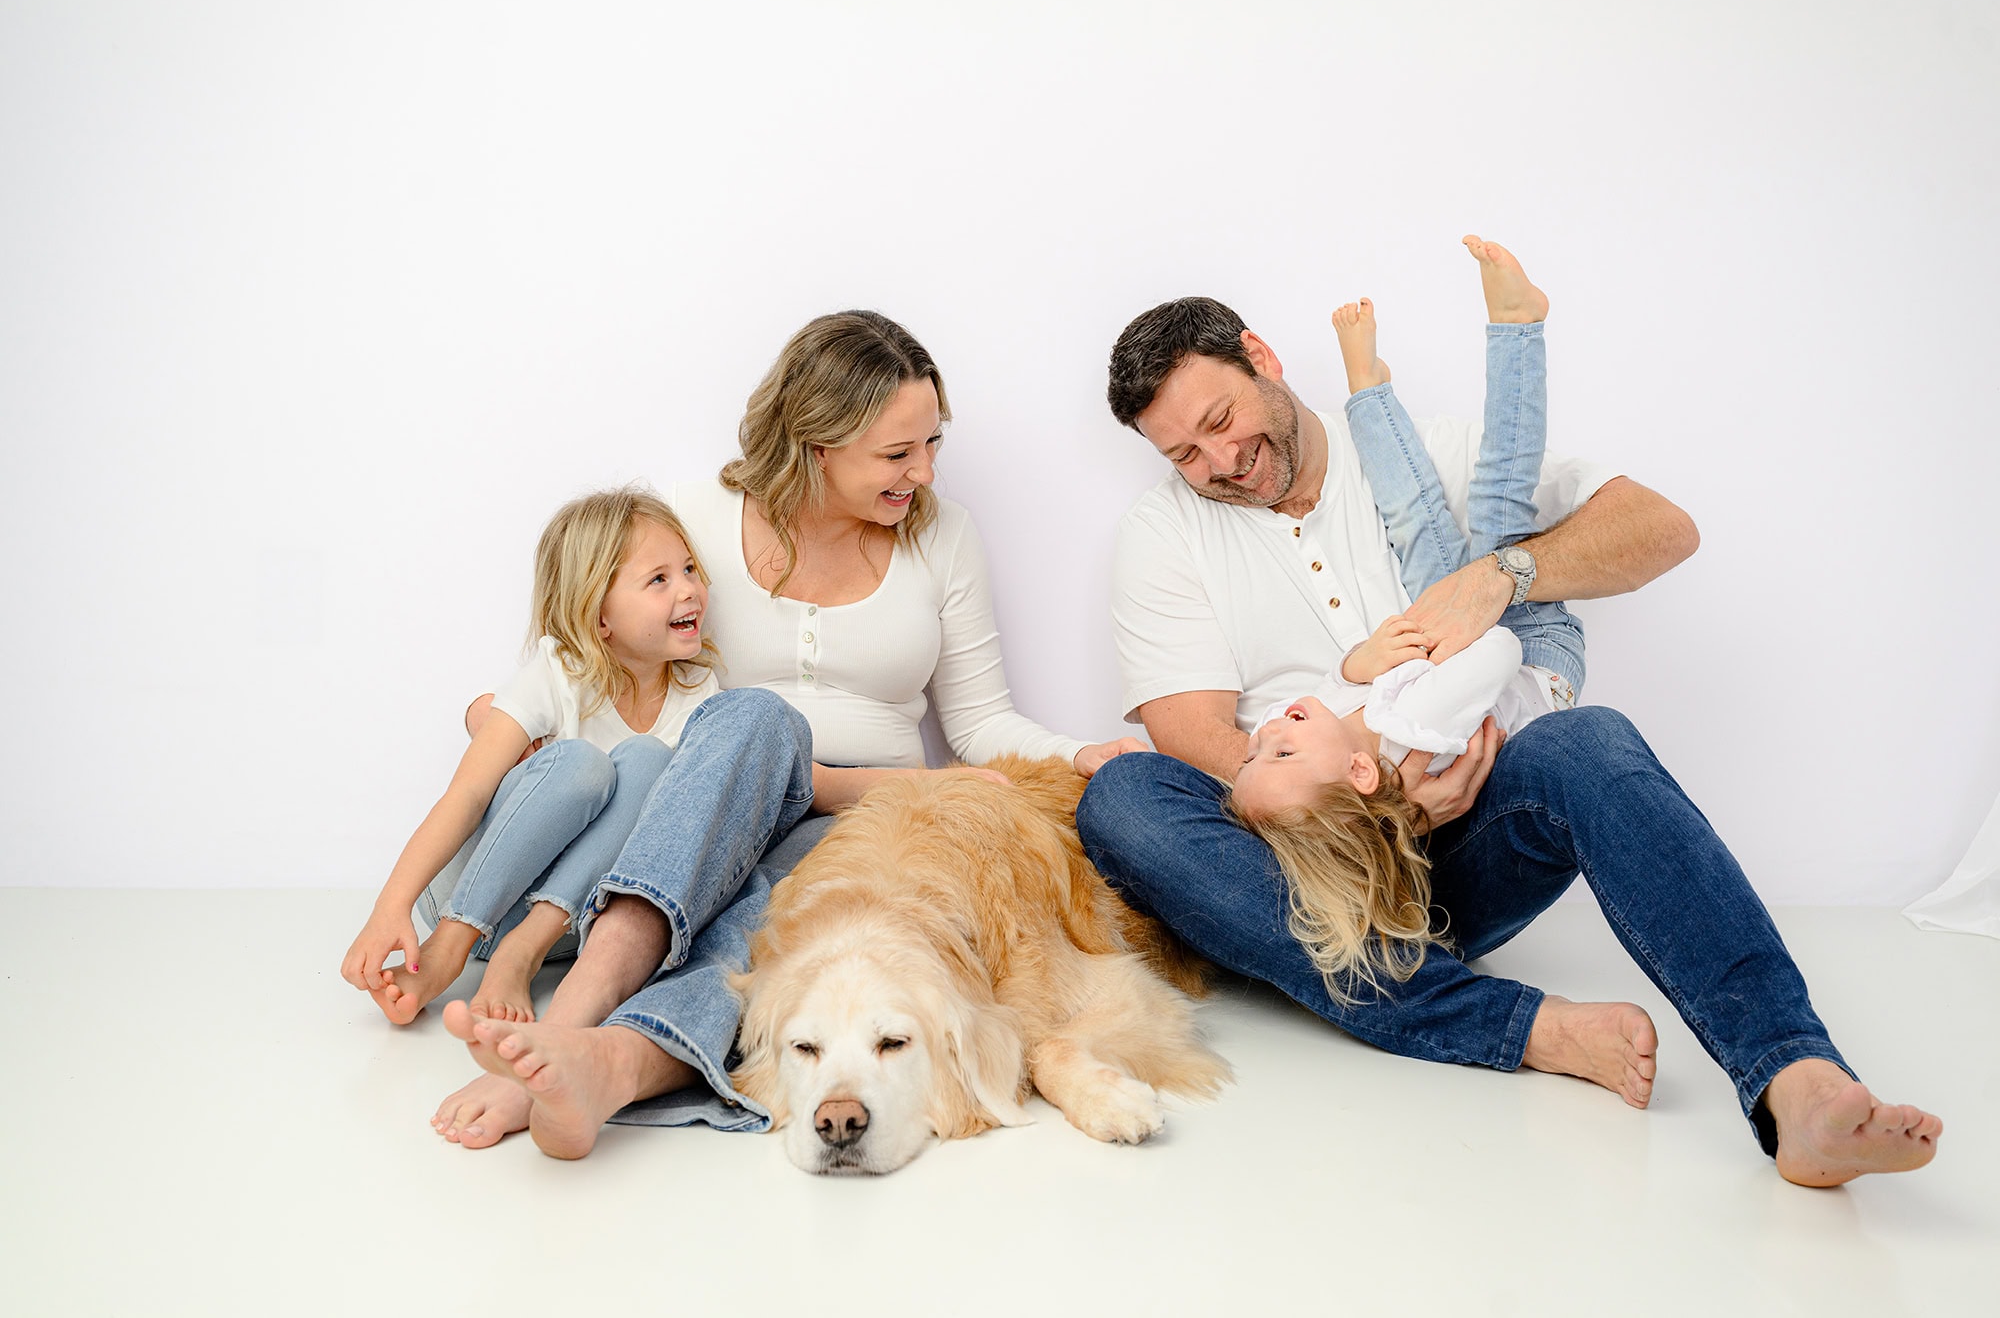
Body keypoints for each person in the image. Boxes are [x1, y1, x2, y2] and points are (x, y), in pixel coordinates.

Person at [1078, 238, 1942, 1187]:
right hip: (1303, 882)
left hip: (1459, 860)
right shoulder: (1163, 533)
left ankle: (1796, 1080)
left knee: (1588, 741)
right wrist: (1372, 785)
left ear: (1263, 358)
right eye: (1184, 453)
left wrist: (1503, 574)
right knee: (1126, 792)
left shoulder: (1416, 450)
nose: (1220, 461)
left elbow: (1662, 529)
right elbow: (1194, 736)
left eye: (1222, 419)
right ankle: (1528, 1028)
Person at [429, 311, 1147, 1158]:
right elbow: (601, 635)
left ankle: (604, 1067)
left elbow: (981, 719)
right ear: (815, 441)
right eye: (896, 453)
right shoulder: (695, 519)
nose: (922, 472)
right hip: (713, 803)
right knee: (758, 717)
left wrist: (1077, 754)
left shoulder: (944, 538)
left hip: (862, 824)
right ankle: (572, 1020)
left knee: (766, 952)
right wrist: (502, 717)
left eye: (931, 445)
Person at [1228, 240, 1584, 1004]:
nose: (1266, 729)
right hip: (1531, 650)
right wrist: (1420, 646)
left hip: (1438, 644)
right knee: (1498, 502)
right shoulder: (1413, 725)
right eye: (1281, 747)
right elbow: (1491, 649)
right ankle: (1519, 330)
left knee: (1416, 526)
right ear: (1361, 772)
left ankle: (1369, 391)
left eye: (1255, 748)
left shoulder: (1350, 723)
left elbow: (1341, 681)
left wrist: (1359, 664)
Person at [339, 487, 717, 1026]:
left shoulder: (701, 694)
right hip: (471, 893)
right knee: (581, 762)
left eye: (689, 569)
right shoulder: (558, 671)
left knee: (652, 764)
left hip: (567, 931)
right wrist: (390, 905)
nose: (689, 590)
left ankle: (520, 954)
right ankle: (447, 951)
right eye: (658, 579)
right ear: (599, 615)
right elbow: (468, 795)